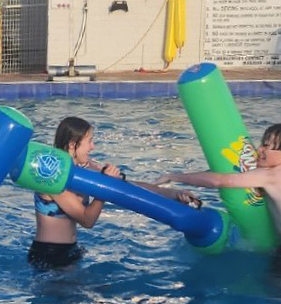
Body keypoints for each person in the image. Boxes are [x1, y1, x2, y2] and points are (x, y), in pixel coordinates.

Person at [29, 115, 200, 269]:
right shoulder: (51, 177)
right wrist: (105, 184)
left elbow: (132, 187)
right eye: (89, 141)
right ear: (73, 145)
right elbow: (87, 220)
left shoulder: (88, 168)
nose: (93, 147)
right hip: (49, 256)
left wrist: (174, 194)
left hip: (71, 250)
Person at [163, 122, 281, 267]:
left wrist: (175, 176)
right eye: (262, 143)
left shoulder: (272, 176)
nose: (259, 149)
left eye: (267, 146)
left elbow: (218, 181)